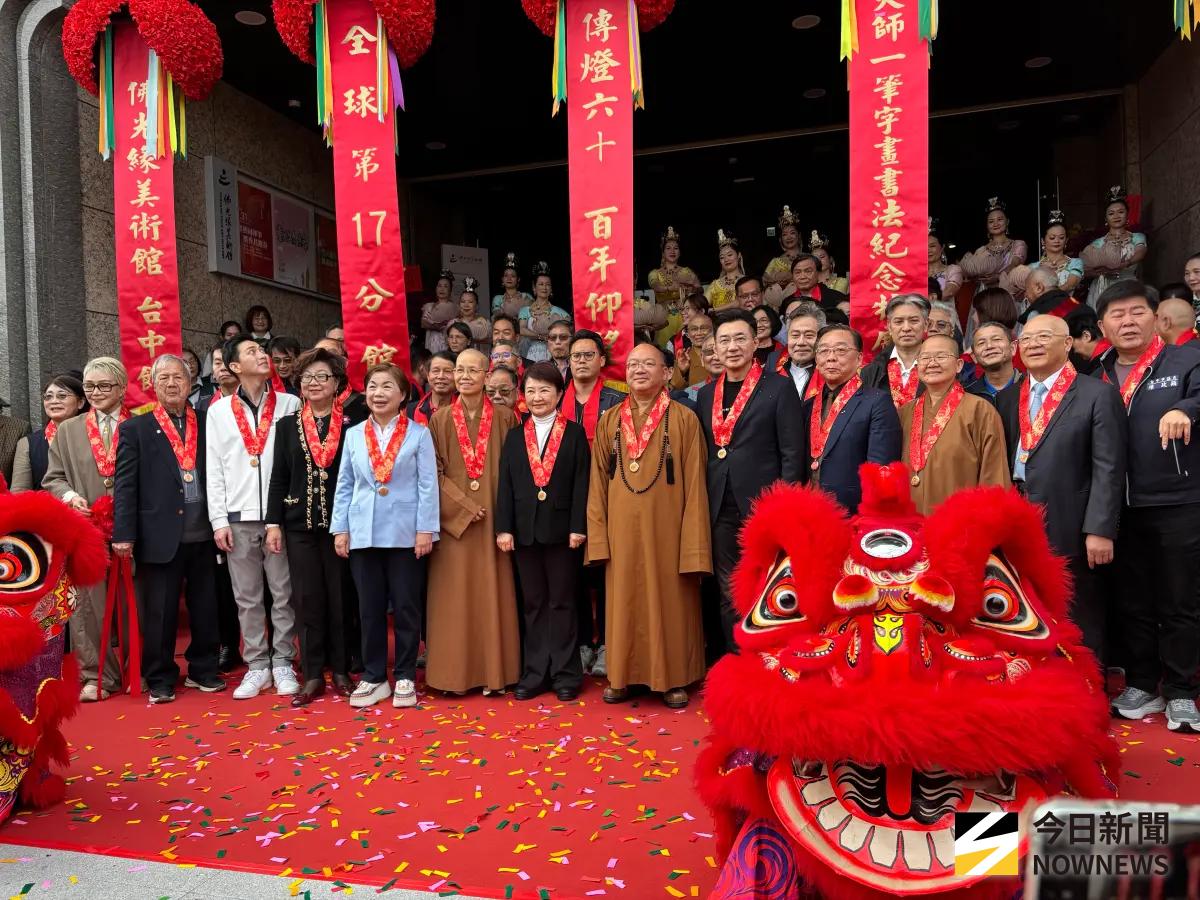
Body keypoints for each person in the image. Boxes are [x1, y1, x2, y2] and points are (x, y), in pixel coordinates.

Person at [1096, 281, 1200, 732]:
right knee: (1132, 600)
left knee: (1179, 600)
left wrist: (1187, 409)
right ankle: (1142, 683)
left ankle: (1181, 690)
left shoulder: (1185, 360)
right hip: (1118, 505)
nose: (1127, 321)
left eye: (1136, 312)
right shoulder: (1093, 371)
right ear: (1102, 326)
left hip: (1176, 499)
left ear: (1157, 318)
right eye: (1116, 315)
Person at [587, 342, 711, 708]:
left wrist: (694, 546)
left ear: (667, 372)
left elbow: (695, 485)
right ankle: (621, 676)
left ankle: (673, 678)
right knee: (623, 600)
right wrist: (598, 537)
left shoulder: (684, 418)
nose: (639, 370)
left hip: (668, 532)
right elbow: (597, 485)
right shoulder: (610, 420)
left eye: (649, 364)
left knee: (669, 600)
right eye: (633, 364)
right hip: (621, 532)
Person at [995, 315, 1125, 661]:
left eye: (1044, 337)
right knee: (1026, 600)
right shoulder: (1010, 398)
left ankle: (1087, 682)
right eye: (1026, 339)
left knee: (1078, 604)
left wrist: (1100, 528)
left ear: (1067, 344)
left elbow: (1109, 467)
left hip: (1071, 517)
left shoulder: (1096, 394)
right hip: (1020, 516)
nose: (1033, 344)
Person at [112, 354, 223, 703]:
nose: (172, 384)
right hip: (159, 534)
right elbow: (125, 485)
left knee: (206, 607)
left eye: (178, 377)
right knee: (159, 612)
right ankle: (159, 676)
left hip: (206, 531)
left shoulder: (209, 422)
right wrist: (123, 534)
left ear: (191, 384)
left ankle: (204, 669)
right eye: (164, 379)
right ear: (153, 385)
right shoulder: (136, 429)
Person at [697, 310, 805, 655]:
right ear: (713, 345)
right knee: (728, 587)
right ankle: (736, 659)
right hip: (718, 504)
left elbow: (792, 452)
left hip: (764, 504)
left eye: (740, 338)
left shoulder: (778, 387)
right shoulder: (705, 394)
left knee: (767, 584)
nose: (732, 347)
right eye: (724, 340)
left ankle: (770, 657)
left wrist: (785, 507)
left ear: (756, 342)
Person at [331, 363, 438, 709]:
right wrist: (341, 528)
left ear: (404, 394)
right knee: (369, 608)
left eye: (387, 387)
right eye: (373, 386)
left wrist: (426, 529)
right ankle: (375, 676)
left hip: (406, 533)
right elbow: (344, 484)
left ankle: (405, 674)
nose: (378, 393)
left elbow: (427, 485)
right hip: (363, 531)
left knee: (407, 606)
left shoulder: (418, 434)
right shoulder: (353, 434)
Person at [265, 349, 367, 707]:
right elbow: (278, 477)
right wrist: (273, 522)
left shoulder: (355, 423)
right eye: (307, 377)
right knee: (307, 598)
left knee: (341, 595)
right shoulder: (287, 426)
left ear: (337, 383)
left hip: (342, 525)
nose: (313, 383)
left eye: (322, 376)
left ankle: (340, 670)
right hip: (299, 524)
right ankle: (311, 675)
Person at [206, 334, 302, 700]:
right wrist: (218, 521)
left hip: (279, 516)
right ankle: (257, 666)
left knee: (283, 592)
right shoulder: (218, 410)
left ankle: (283, 662)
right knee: (246, 596)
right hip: (238, 516)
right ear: (233, 367)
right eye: (252, 352)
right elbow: (213, 468)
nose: (262, 356)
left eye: (263, 351)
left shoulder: (291, 403)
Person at [426, 348, 521, 695]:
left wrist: (507, 518)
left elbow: (516, 472)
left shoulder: (507, 418)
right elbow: (431, 473)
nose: (465, 376)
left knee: (495, 593)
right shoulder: (438, 420)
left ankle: (496, 673)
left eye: (472, 370)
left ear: (486, 375)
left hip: (496, 519)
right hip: (455, 525)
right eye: (459, 371)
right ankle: (454, 676)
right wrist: (462, 507)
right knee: (455, 597)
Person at [495, 362, 590, 702]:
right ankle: (535, 673)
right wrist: (503, 528)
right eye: (531, 391)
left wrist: (579, 526)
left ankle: (566, 674)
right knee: (533, 604)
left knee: (562, 603)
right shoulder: (514, 435)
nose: (538, 397)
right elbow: (504, 484)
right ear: (523, 396)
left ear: (559, 394)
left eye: (545, 390)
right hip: (524, 532)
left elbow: (583, 484)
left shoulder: (575, 434)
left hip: (564, 531)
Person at [42, 357, 130, 701]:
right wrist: (69, 495)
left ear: (122, 388)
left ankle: (138, 668)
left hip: (129, 529)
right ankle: (96, 676)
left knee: (134, 600)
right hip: (86, 527)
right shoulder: (69, 430)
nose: (95, 393)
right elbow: (53, 477)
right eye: (90, 386)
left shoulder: (138, 425)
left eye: (104, 386)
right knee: (88, 604)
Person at [561, 330, 624, 676]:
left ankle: (607, 644)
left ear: (602, 360)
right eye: (576, 356)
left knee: (605, 572)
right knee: (572, 574)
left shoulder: (617, 400)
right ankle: (583, 641)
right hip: (566, 498)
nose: (581, 361)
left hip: (608, 495)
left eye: (588, 355)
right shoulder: (555, 401)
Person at [899, 334, 1010, 515]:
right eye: (925, 358)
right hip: (908, 527)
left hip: (960, 525)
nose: (932, 363)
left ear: (959, 365)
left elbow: (994, 475)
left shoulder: (980, 410)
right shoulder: (905, 412)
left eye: (941, 357)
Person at [802, 325, 902, 513]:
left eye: (841, 350)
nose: (831, 357)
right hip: (810, 509)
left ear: (859, 359)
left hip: (853, 512)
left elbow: (880, 467)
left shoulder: (876, 402)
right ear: (816, 360)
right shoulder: (808, 406)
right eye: (823, 351)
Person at [12, 374, 85, 492]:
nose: (54, 401)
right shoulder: (28, 444)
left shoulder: (94, 437)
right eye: (48, 397)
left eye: (62, 396)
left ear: (80, 402)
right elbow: (19, 492)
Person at [1082, 187, 1148, 309]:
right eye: (1111, 213)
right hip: (1103, 288)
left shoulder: (1137, 237)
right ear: (1106, 218)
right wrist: (1096, 272)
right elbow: (1084, 268)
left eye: (1121, 212)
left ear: (1127, 214)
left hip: (1128, 285)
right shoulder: (1098, 243)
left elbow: (1140, 252)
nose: (1116, 216)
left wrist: (1125, 263)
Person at [861, 294, 930, 407]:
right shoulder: (871, 372)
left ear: (926, 324)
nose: (906, 328)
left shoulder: (940, 366)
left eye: (913, 321)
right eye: (898, 322)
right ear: (889, 326)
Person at [958, 197, 1028, 295]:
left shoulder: (1018, 244)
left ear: (1007, 222)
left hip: (1010, 294)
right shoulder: (981, 250)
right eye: (991, 221)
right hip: (986, 294)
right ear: (987, 226)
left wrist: (998, 276)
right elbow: (973, 274)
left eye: (999, 219)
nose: (995, 224)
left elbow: (1015, 264)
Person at [770, 303, 824, 398]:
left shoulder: (830, 369)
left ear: (821, 338)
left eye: (809, 335)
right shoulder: (773, 362)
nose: (801, 342)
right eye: (795, 335)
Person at [520, 262, 571, 362]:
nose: (544, 287)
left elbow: (568, 332)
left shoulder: (562, 313)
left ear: (551, 288)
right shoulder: (525, 311)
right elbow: (522, 330)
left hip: (553, 355)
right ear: (534, 287)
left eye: (548, 285)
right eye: (541, 284)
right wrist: (541, 337)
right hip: (530, 354)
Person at [1027, 209, 1084, 294]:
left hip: (1065, 306)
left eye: (1061, 238)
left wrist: (1047, 296)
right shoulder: (1033, 267)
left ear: (1066, 240)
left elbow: (1069, 285)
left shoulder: (1075, 263)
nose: (1057, 241)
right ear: (1043, 241)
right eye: (1052, 238)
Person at [647, 227, 701, 307]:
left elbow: (700, 289)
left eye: (675, 248)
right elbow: (656, 286)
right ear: (663, 253)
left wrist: (691, 289)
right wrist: (671, 288)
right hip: (662, 314)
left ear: (679, 252)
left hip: (684, 312)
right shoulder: (655, 273)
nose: (672, 251)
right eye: (668, 248)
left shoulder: (686, 271)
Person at [762, 206, 803, 306]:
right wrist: (777, 279)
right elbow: (765, 279)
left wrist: (791, 277)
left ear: (799, 236)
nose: (788, 237)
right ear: (781, 239)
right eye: (784, 234)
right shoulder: (776, 261)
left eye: (792, 233)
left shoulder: (806, 258)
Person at [967, 322, 1019, 398]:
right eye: (981, 343)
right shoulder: (966, 395)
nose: (989, 346)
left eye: (996, 339)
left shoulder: (1031, 386)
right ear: (974, 357)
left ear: (1013, 348)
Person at [670, 311, 714, 390]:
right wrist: (681, 371)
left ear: (712, 330)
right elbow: (675, 390)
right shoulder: (685, 358)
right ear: (688, 334)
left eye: (703, 328)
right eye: (694, 329)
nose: (699, 333)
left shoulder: (722, 354)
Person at [409, 351, 456, 425]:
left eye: (447, 371)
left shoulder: (466, 411)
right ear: (428, 375)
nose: (441, 376)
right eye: (436, 371)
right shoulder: (410, 411)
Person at [421, 270, 458, 354]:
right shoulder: (429, 305)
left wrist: (431, 323)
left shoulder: (453, 307)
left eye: (445, 286)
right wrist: (435, 325)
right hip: (430, 340)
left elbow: (437, 321)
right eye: (439, 286)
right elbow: (423, 323)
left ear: (450, 290)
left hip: (444, 341)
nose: (442, 289)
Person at [928, 219, 964, 303]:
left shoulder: (953, 270)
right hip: (921, 315)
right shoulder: (919, 273)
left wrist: (924, 301)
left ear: (942, 248)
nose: (928, 250)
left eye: (932, 246)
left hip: (945, 314)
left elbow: (949, 292)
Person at [706, 230, 743, 310]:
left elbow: (741, 303)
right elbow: (701, 305)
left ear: (739, 255)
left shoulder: (746, 281)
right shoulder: (715, 285)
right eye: (722, 257)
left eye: (730, 255)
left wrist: (714, 310)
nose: (726, 259)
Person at [455, 277, 492, 355]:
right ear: (459, 305)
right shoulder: (454, 323)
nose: (466, 305)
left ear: (477, 305)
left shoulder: (485, 323)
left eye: (470, 302)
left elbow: (492, 340)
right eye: (463, 301)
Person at [1066, 306, 1104, 376]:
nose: (1074, 351)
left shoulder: (1101, 368)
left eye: (1072, 345)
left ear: (1086, 336)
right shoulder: (1117, 350)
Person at [493, 252, 532, 320]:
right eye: (506, 275)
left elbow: (532, 317)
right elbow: (498, 317)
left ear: (518, 279)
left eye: (513, 276)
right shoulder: (498, 299)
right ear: (502, 279)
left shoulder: (526, 296)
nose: (509, 278)